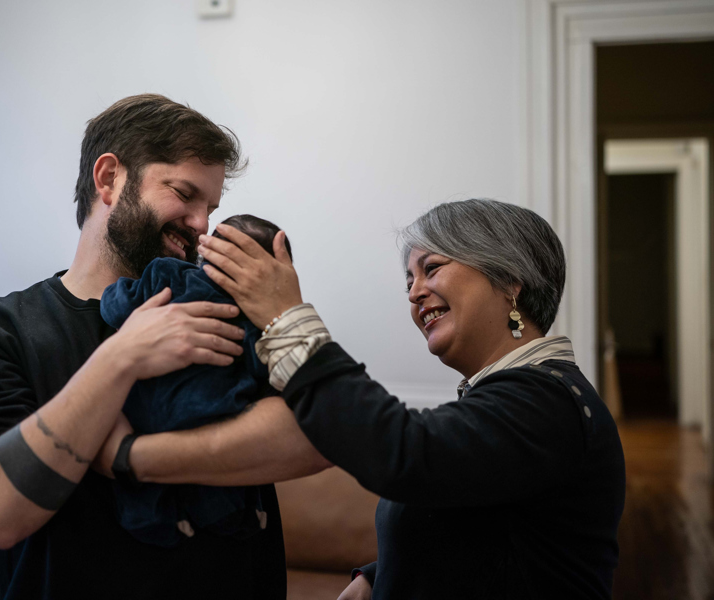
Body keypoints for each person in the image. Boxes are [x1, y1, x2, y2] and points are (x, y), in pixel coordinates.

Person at [0, 94, 327, 599]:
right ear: (109, 179)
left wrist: (128, 455)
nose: (201, 224)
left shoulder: (230, 302)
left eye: (210, 207)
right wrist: (121, 357)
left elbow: (323, 435)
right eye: (185, 193)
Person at [177, 198, 627, 599]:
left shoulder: (547, 403)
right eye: (408, 280)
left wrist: (284, 317)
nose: (414, 293)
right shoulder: (515, 396)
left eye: (431, 268)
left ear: (510, 280)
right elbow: (479, 528)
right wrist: (377, 577)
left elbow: (405, 453)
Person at [98, 215, 292, 548]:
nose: (200, 223)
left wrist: (124, 318)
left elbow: (117, 303)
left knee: (141, 496)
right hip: (213, 414)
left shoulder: (168, 274)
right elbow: (270, 373)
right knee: (219, 486)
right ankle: (237, 516)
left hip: (149, 410)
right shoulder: (255, 319)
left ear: (207, 251)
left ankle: (153, 520)